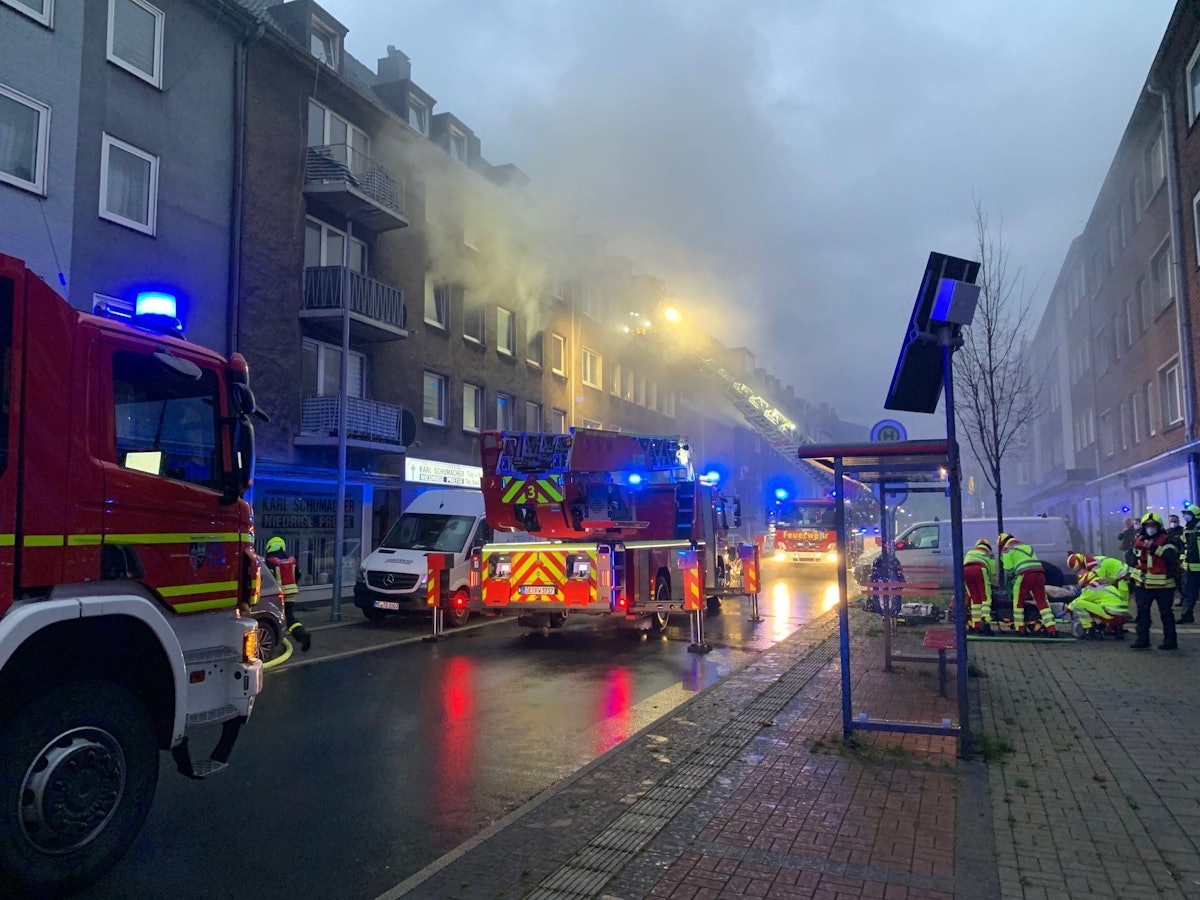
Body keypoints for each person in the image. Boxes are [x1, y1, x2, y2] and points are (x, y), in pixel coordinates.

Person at [1129, 512, 1178, 651]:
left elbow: (1171, 555)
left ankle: (1170, 641)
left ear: (1159, 526)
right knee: (1142, 613)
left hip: (1164, 585)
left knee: (1166, 614)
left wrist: (1154, 548)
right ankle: (1142, 640)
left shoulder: (1168, 539)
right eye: (1147, 526)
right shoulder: (1139, 540)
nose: (1150, 528)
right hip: (1143, 584)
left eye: (1153, 525)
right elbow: (1134, 559)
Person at [999, 532, 1056, 635]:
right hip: (1039, 574)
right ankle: (1051, 629)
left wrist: (1011, 577)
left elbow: (1008, 569)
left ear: (1002, 543)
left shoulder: (1006, 549)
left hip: (1024, 575)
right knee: (1042, 602)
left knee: (1018, 602)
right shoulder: (1026, 545)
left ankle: (1020, 629)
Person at [264, 536, 312, 652]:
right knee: (289, 617)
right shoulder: (291, 561)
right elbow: (298, 575)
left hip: (276, 595)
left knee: (272, 617)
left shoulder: (270, 563)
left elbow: (266, 579)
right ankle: (300, 634)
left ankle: (300, 635)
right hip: (290, 595)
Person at [962, 538, 996, 634]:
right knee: (985, 598)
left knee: (975, 599)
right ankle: (985, 623)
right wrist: (992, 582)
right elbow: (993, 572)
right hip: (980, 569)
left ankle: (976, 625)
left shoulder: (970, 552)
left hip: (966, 571)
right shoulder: (989, 554)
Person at [1180, 503, 1200, 624]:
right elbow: (1184, 547)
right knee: (1189, 593)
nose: (1186, 516)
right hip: (1190, 567)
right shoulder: (1187, 529)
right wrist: (1183, 561)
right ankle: (1187, 615)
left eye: (1188, 514)